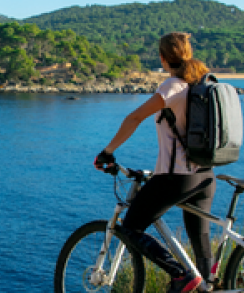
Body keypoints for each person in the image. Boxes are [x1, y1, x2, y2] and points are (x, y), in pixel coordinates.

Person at [94, 32, 216, 293]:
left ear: (162, 57)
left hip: (177, 178)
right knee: (200, 237)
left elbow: (134, 118)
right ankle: (210, 284)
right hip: (205, 176)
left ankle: (179, 276)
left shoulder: (173, 86)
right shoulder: (198, 84)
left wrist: (108, 150)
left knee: (130, 228)